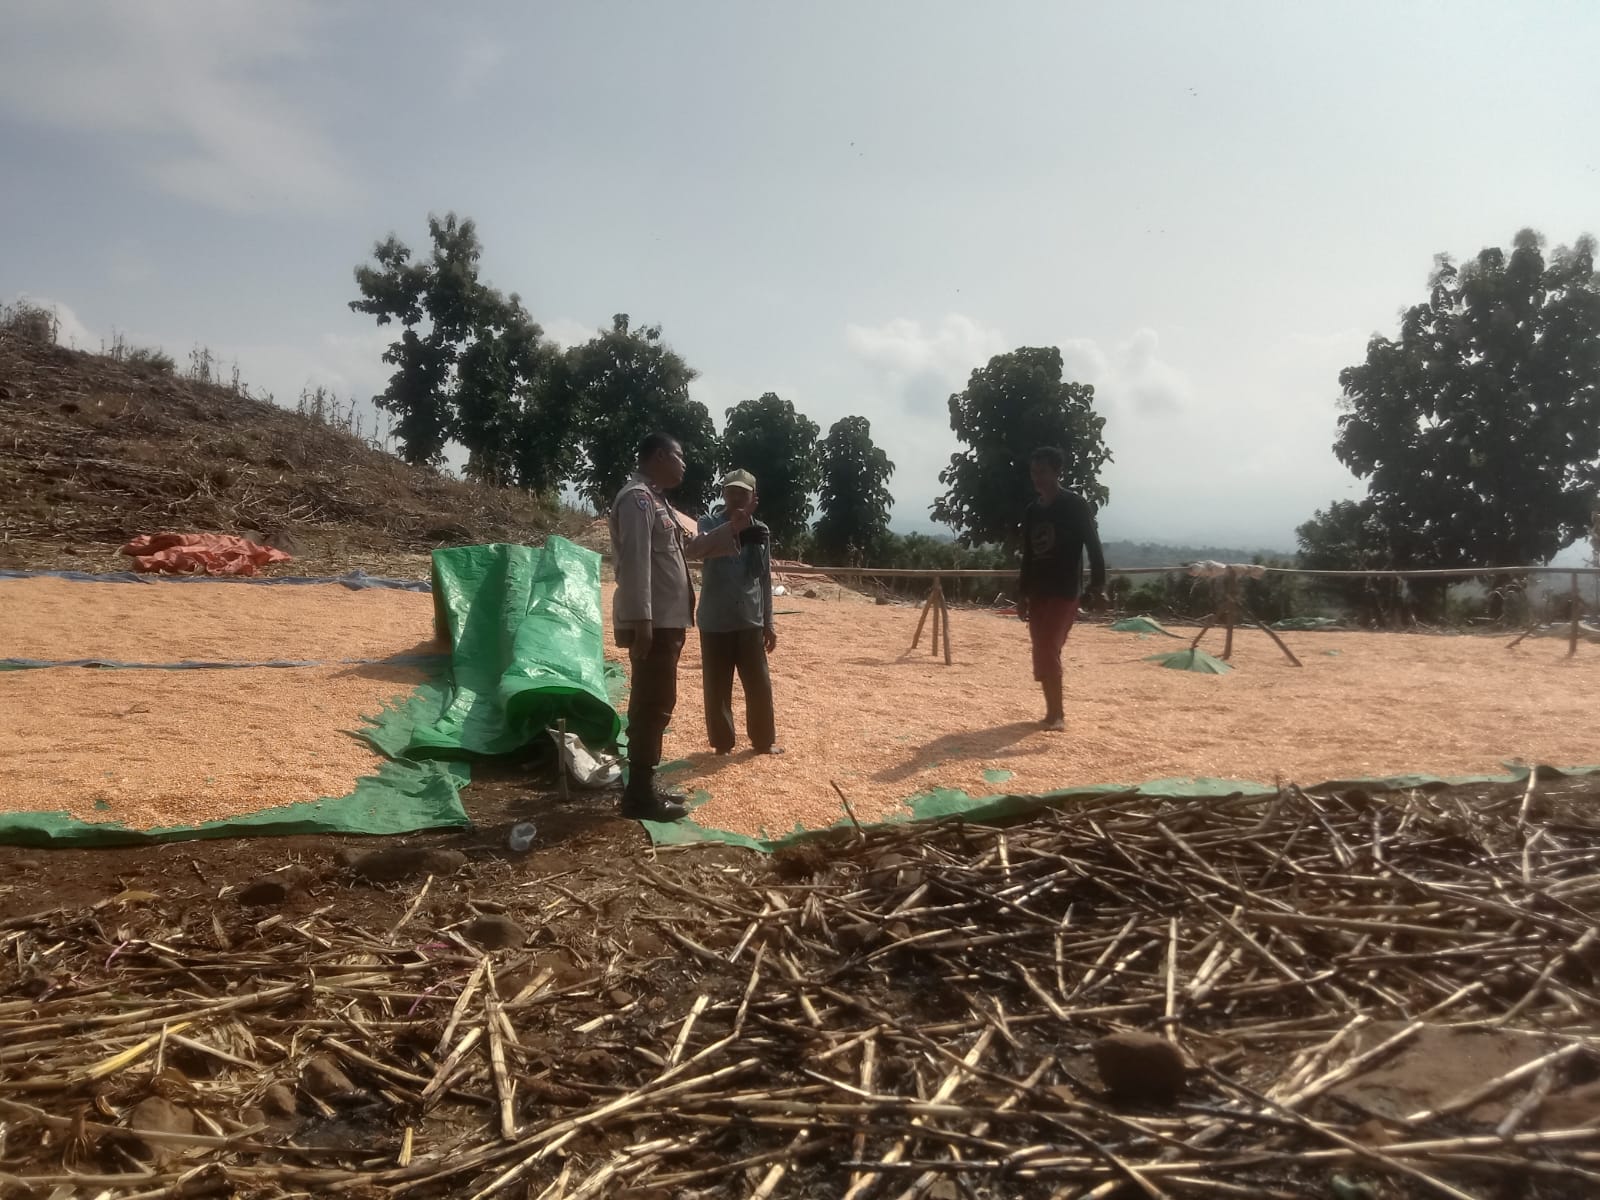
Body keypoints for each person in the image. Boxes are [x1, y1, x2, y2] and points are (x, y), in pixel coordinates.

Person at [611, 433, 749, 821]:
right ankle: (639, 796)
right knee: (652, 704)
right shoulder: (638, 499)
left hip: (665, 621)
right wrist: (642, 622)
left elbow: (688, 549)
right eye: (679, 456)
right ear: (659, 456)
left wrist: (731, 529)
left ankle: (643, 785)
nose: (684, 464)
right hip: (653, 623)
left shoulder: (658, 502)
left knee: (657, 702)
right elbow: (636, 563)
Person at [1017, 445, 1107, 732]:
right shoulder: (1032, 511)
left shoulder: (1074, 505)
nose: (1037, 477)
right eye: (1034, 472)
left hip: (1064, 589)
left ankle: (1058, 715)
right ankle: (1050, 713)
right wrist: (1022, 593)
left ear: (1057, 472)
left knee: (1047, 646)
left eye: (1043, 471)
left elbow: (1093, 545)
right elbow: (1028, 555)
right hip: (1038, 590)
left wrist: (1098, 585)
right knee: (1041, 648)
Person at [696, 469, 783, 757]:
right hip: (715, 618)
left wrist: (769, 622)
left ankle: (763, 741)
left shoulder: (760, 531)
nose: (736, 497)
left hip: (749, 619)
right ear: (723, 493)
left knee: (759, 685)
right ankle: (722, 743)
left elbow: (764, 577)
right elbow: (699, 549)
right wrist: (735, 529)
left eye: (742, 493)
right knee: (717, 686)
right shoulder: (708, 523)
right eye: (731, 491)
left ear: (753, 497)